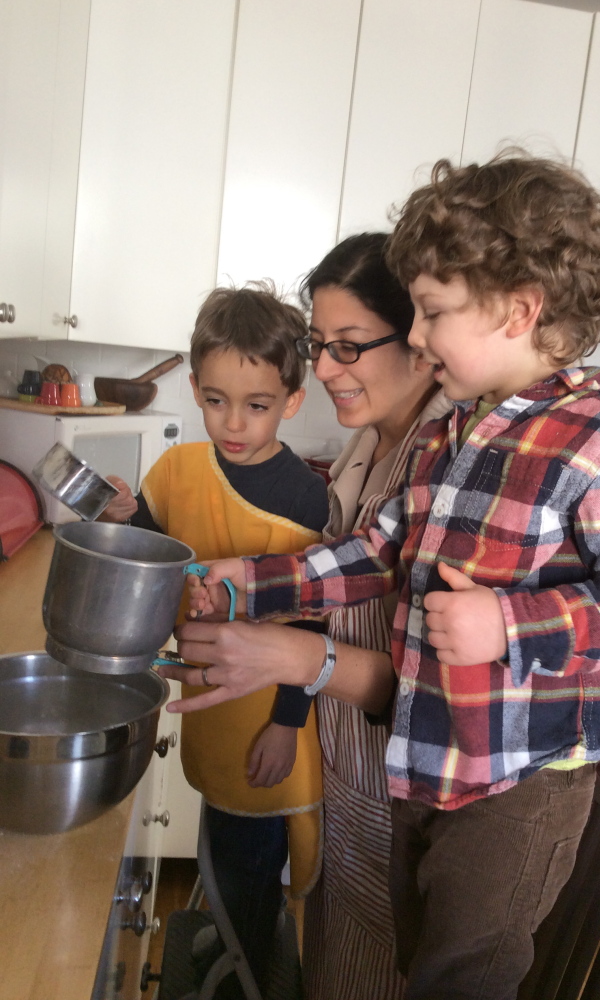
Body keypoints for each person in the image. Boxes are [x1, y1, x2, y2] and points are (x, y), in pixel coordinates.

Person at [163, 154, 600, 1000]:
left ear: (520, 311)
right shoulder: (461, 438)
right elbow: (378, 553)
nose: (415, 336)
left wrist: (510, 626)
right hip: (435, 767)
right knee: (420, 966)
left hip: (525, 783)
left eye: (432, 312)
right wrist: (248, 583)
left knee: (461, 978)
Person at [171, 233, 448, 1000]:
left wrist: (297, 664)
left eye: (348, 348)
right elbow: (326, 585)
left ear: (422, 342)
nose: (324, 369)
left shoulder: (445, 466)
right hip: (343, 776)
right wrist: (241, 590)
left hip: (401, 797)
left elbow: (441, 692)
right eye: (319, 346)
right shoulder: (365, 453)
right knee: (325, 959)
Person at [101, 282, 329, 997]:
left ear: (292, 401)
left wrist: (288, 725)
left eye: (257, 405)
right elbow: (155, 558)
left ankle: (245, 976)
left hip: (266, 717)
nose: (233, 422)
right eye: (216, 401)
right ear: (196, 388)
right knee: (225, 851)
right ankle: (236, 957)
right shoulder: (176, 471)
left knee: (249, 865)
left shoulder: (305, 499)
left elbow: (313, 622)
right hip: (205, 705)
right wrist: (129, 515)